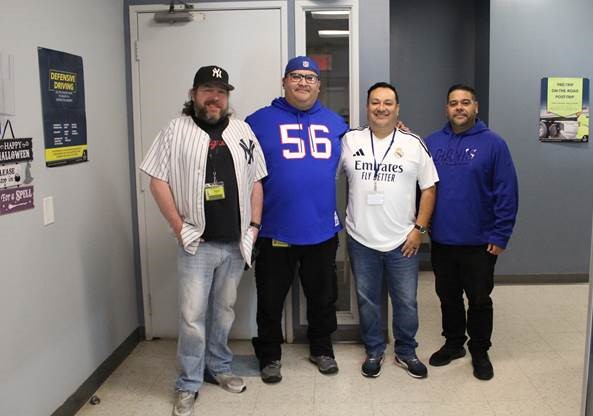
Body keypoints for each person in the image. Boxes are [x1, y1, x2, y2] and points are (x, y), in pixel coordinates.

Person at [140, 65, 267, 416]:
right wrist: (179, 225)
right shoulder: (175, 130)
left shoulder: (242, 131)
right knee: (192, 316)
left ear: (228, 97)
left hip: (235, 243)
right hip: (197, 242)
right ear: (193, 93)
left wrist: (254, 225)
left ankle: (219, 366)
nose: (215, 97)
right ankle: (189, 383)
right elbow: (157, 180)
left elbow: (257, 180)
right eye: (208, 90)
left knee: (224, 311)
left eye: (222, 91)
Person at [245, 56, 348, 383]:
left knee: (323, 296)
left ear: (318, 84)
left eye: (310, 77)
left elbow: (367, 148)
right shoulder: (257, 121)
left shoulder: (336, 124)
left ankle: (321, 347)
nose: (303, 82)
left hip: (320, 229)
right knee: (270, 298)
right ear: (284, 81)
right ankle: (270, 354)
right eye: (296, 76)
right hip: (275, 228)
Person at [340, 82, 438, 379]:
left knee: (406, 300)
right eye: (375, 102)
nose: (381, 108)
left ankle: (406, 351)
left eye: (388, 103)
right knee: (367, 299)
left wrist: (419, 229)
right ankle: (374, 349)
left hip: (403, 241)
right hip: (361, 239)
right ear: (367, 106)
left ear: (397, 108)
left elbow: (430, 188)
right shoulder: (349, 140)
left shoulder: (413, 143)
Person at [425, 84, 518, 381]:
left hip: (480, 242)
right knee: (447, 296)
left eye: (465, 102)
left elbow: (507, 193)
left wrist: (500, 235)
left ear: (476, 107)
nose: (459, 108)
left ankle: (479, 350)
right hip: (442, 240)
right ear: (446, 108)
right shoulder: (431, 143)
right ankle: (454, 344)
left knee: (479, 299)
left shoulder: (494, 144)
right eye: (453, 103)